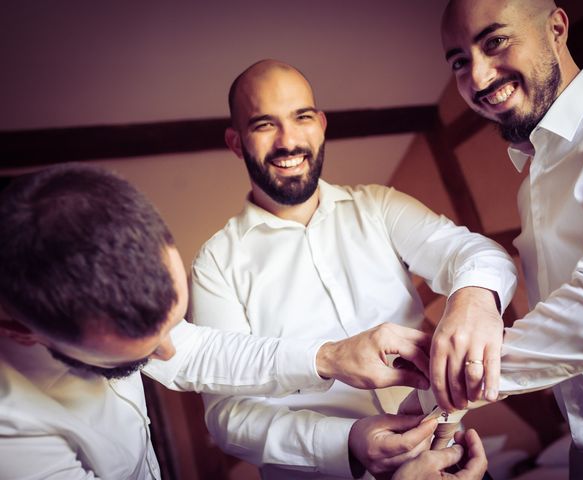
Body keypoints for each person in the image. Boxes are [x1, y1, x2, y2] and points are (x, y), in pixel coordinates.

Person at [0, 163, 454, 480]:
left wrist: (330, 357)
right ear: (20, 330)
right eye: (138, 355)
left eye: (173, 325)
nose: (171, 353)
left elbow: (198, 351)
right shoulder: (11, 437)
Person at [189, 59, 517, 479]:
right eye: (264, 125)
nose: (289, 141)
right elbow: (228, 417)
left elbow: (476, 254)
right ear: (236, 143)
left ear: (321, 124)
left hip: (447, 461)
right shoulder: (216, 263)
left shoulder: (379, 206)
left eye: (301, 117)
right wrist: (345, 441)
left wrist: (473, 300)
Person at [432, 0, 583, 478]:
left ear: (556, 27)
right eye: (460, 61)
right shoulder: (534, 175)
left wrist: (447, 385)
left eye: (495, 41)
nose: (479, 79)